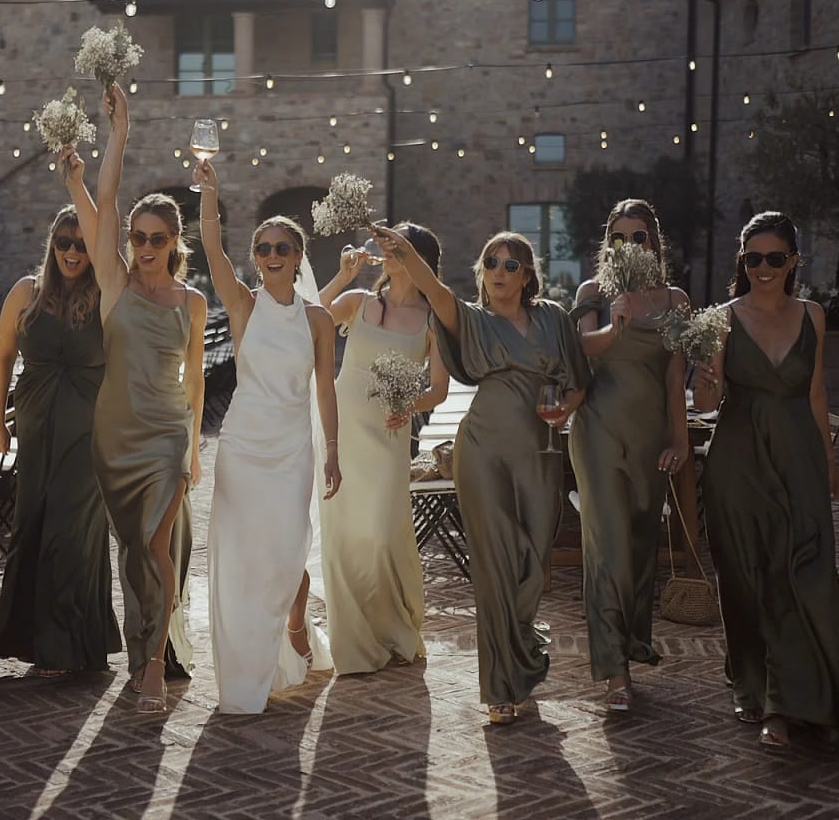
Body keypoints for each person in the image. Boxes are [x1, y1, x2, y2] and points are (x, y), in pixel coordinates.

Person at [379, 225, 589, 725]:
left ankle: (522, 648)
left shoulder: (553, 318)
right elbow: (435, 292)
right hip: (482, 452)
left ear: (527, 276)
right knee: (494, 567)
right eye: (490, 263)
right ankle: (500, 688)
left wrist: (565, 408)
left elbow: (578, 382)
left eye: (510, 264)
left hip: (539, 451)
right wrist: (406, 253)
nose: (498, 271)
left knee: (535, 562)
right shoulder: (472, 320)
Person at [693, 211, 839, 751]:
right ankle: (765, 696)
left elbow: (815, 393)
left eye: (774, 258)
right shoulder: (720, 319)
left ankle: (814, 694)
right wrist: (703, 372)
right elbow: (707, 403)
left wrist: (829, 460)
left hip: (800, 460)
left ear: (793, 261)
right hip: (738, 462)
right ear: (742, 262)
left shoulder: (813, 315)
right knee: (749, 578)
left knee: (807, 574)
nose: (763, 268)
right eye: (753, 259)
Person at [192, 159, 342, 714]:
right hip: (243, 447)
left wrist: (332, 451)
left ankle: (295, 627)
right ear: (255, 257)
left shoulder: (318, 320)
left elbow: (325, 391)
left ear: (299, 256)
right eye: (263, 249)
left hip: (292, 449)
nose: (272, 256)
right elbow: (212, 250)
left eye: (282, 248)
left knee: (286, 548)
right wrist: (210, 195)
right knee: (240, 556)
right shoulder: (243, 304)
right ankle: (245, 672)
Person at [85, 84, 206, 713]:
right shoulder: (113, 283)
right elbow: (104, 199)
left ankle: (155, 664)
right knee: (132, 550)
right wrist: (120, 131)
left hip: (165, 436)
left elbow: (196, 380)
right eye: (138, 238)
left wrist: (193, 451)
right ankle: (143, 649)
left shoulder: (193, 302)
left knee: (157, 545)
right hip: (115, 438)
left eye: (158, 238)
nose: (146, 248)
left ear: (176, 242)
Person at [0, 171, 120, 680]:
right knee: (31, 525)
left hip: (88, 430)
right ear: (51, 245)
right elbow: (2, 357)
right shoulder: (26, 292)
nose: (72, 251)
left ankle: (67, 647)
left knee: (73, 530)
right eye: (64, 242)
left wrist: (79, 181)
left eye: (82, 243)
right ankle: (30, 639)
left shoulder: (107, 291)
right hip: (35, 426)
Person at [568, 199, 691, 712]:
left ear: (653, 244)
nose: (629, 246)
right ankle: (614, 672)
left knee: (641, 544)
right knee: (608, 547)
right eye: (618, 237)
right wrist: (614, 325)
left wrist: (680, 440)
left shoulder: (675, 299)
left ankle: (631, 643)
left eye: (639, 237)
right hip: (597, 432)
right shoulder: (592, 293)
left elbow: (674, 376)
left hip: (649, 436)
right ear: (609, 244)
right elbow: (582, 351)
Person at [313, 225, 450, 675]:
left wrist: (408, 405)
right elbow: (307, 319)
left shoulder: (433, 320)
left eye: (395, 247)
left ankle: (392, 629)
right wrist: (342, 275)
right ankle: (355, 642)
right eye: (384, 246)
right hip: (341, 433)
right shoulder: (359, 302)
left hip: (389, 437)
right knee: (344, 537)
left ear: (417, 258)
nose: (384, 253)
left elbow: (439, 389)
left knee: (381, 536)